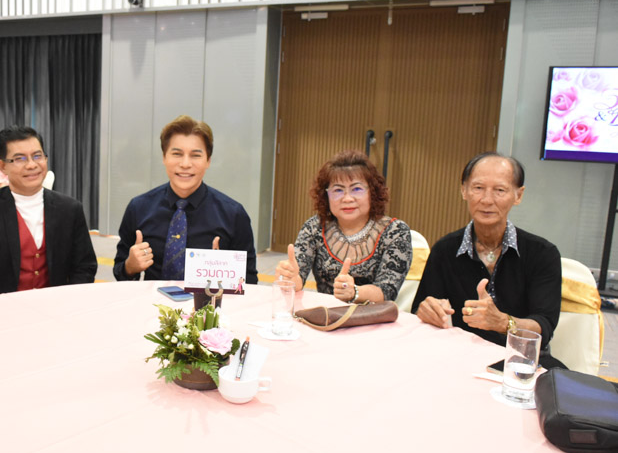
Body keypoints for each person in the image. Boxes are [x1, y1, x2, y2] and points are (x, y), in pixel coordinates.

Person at [412, 152, 564, 360]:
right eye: (478, 188)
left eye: (500, 190)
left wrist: (503, 322)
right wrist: (428, 310)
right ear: (464, 190)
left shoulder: (543, 254)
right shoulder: (444, 250)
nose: (486, 200)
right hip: (457, 356)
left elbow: (543, 326)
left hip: (519, 360)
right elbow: (420, 308)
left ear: (518, 195)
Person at [0, 126, 97, 300]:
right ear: (2, 166)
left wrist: (67, 301)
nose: (32, 165)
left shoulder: (70, 209)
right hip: (0, 310)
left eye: (37, 156)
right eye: (19, 159)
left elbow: (85, 267)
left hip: (57, 307)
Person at [113, 115, 258, 283]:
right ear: (164, 157)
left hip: (209, 300)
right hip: (152, 299)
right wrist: (130, 267)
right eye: (177, 154)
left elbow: (250, 281)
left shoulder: (233, 215)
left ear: (208, 161)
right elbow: (120, 271)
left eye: (195, 155)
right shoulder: (139, 208)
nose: (185, 164)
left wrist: (224, 273)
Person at [275, 150, 412, 302]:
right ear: (326, 195)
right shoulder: (314, 227)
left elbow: (387, 291)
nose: (347, 198)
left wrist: (354, 292)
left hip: (373, 315)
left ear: (372, 192)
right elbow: (297, 278)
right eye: (338, 190)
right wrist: (291, 279)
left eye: (357, 189)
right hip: (327, 314)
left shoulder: (395, 232)